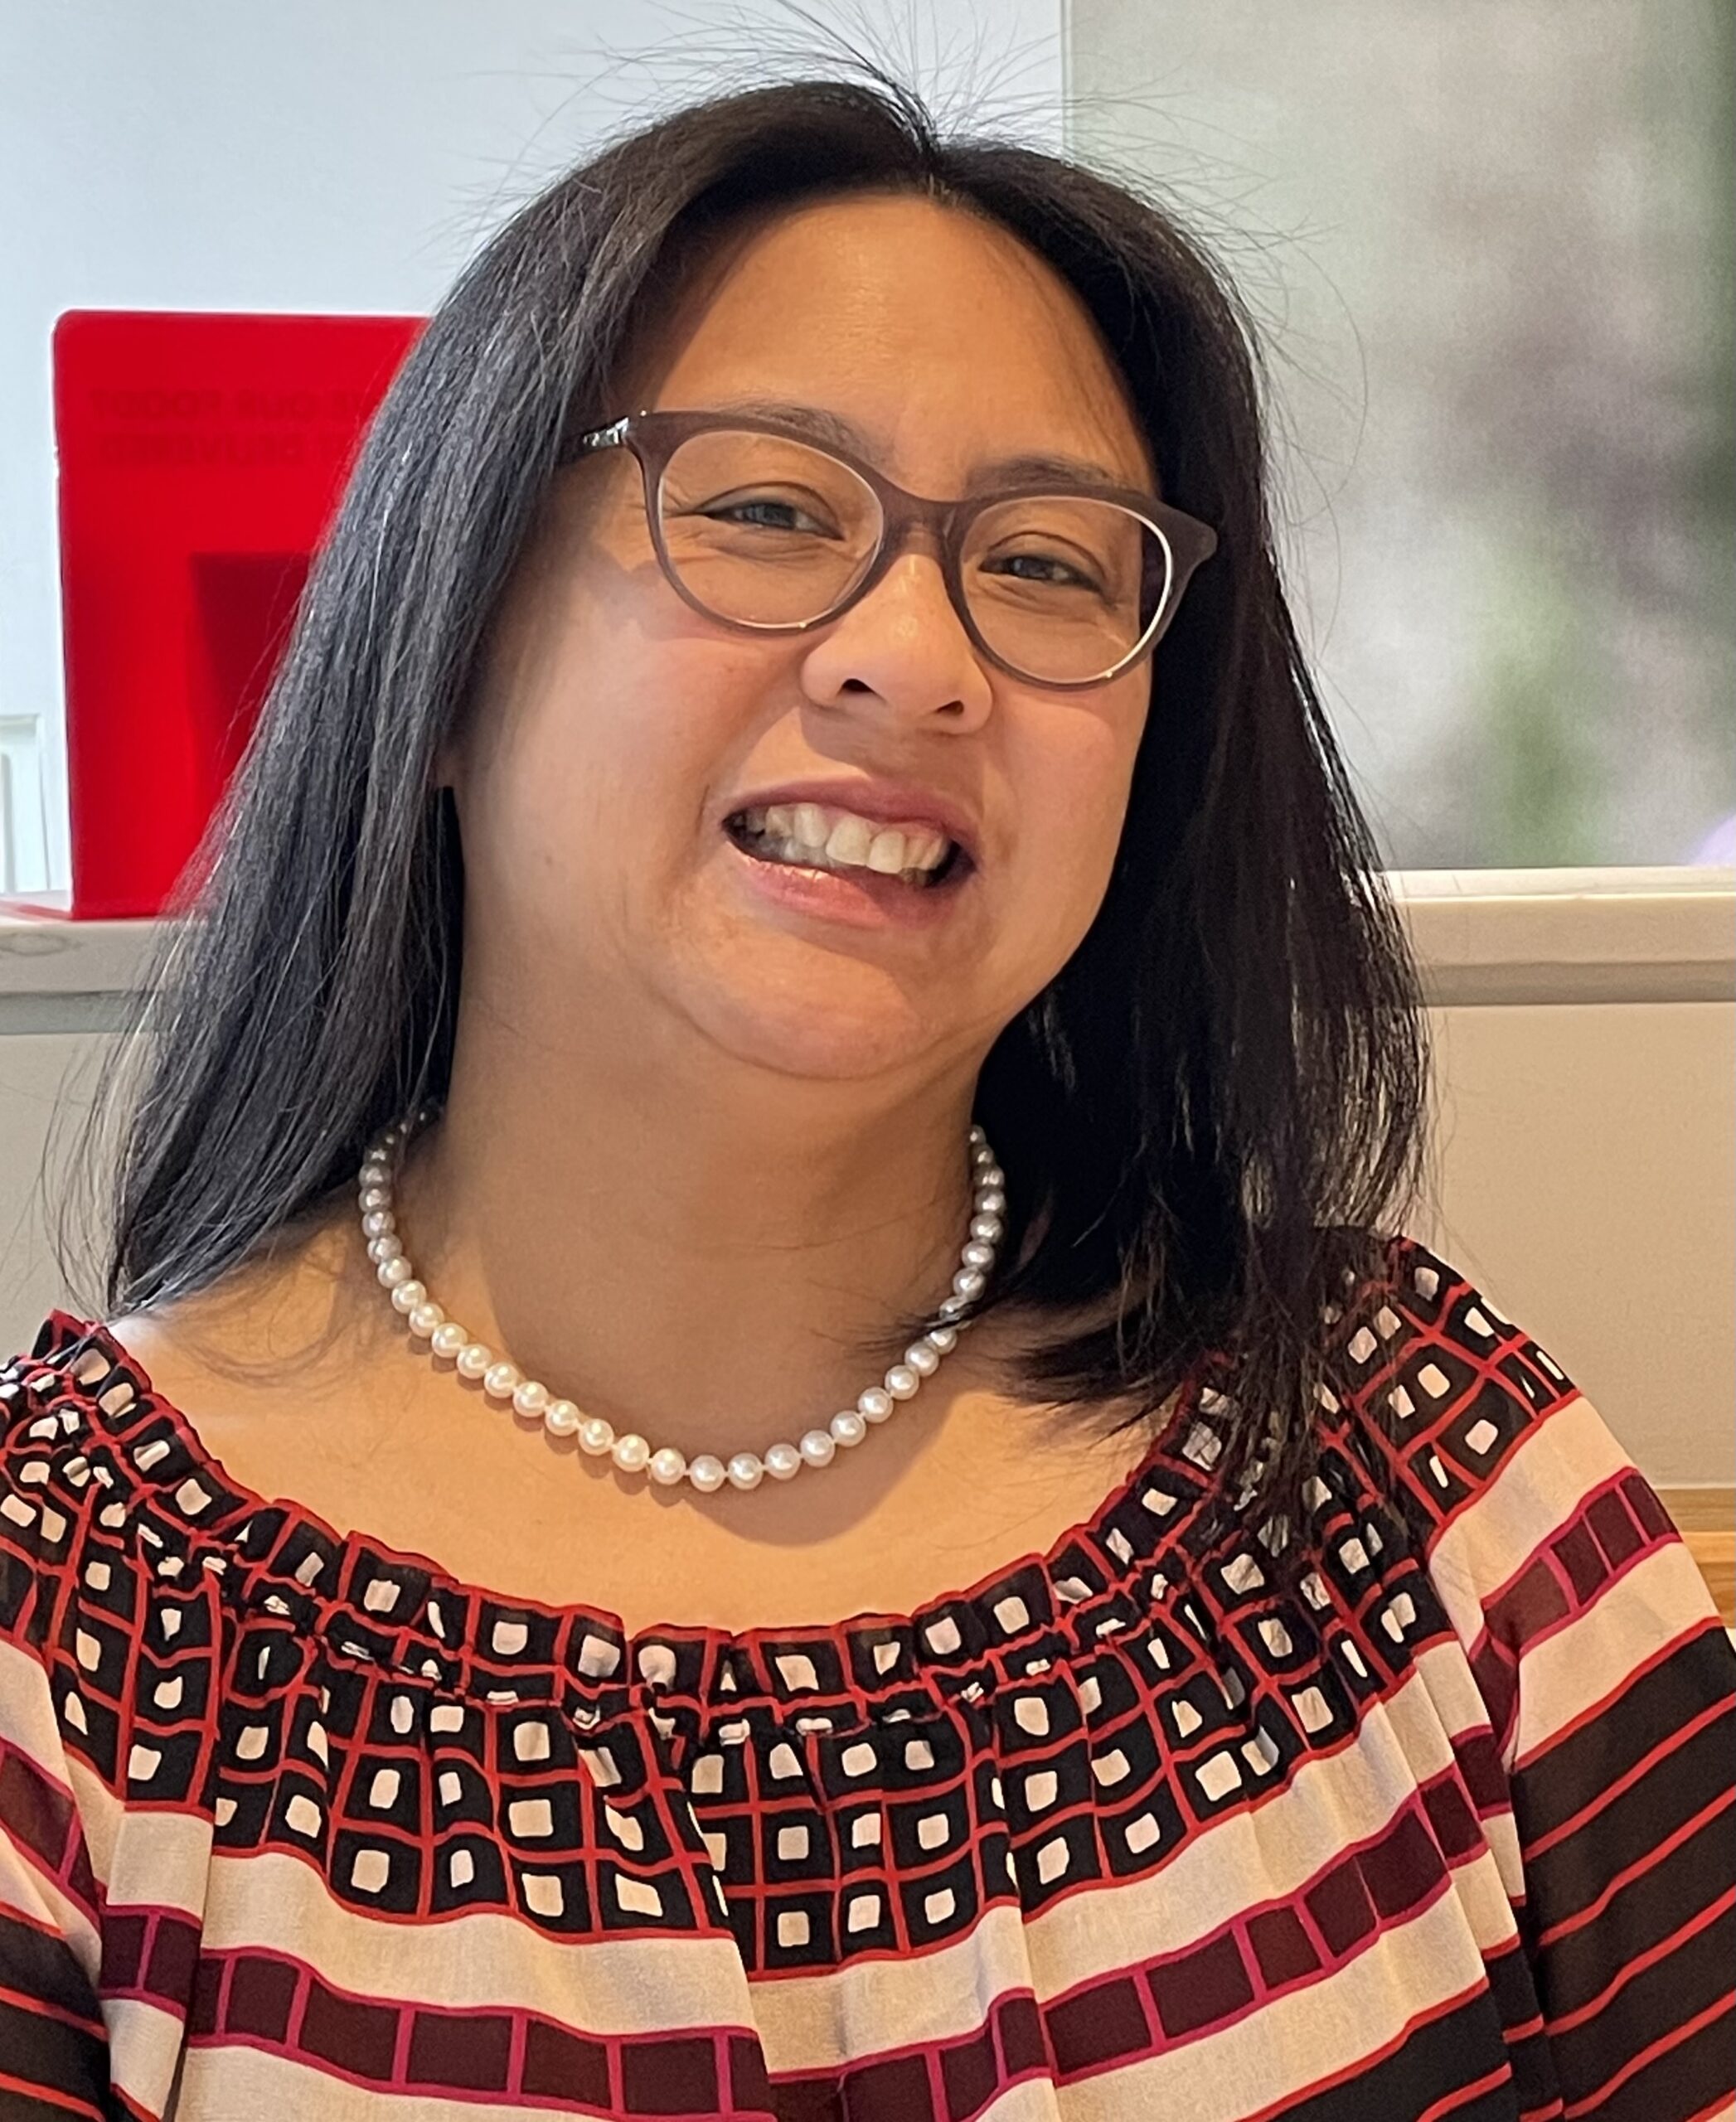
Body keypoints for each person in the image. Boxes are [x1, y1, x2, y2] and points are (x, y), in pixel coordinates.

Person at [2, 70, 1731, 2122]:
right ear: (440, 647)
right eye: (761, 507)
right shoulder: (67, 1627)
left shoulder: (1421, 1466)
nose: (915, 660)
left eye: (1052, 563)